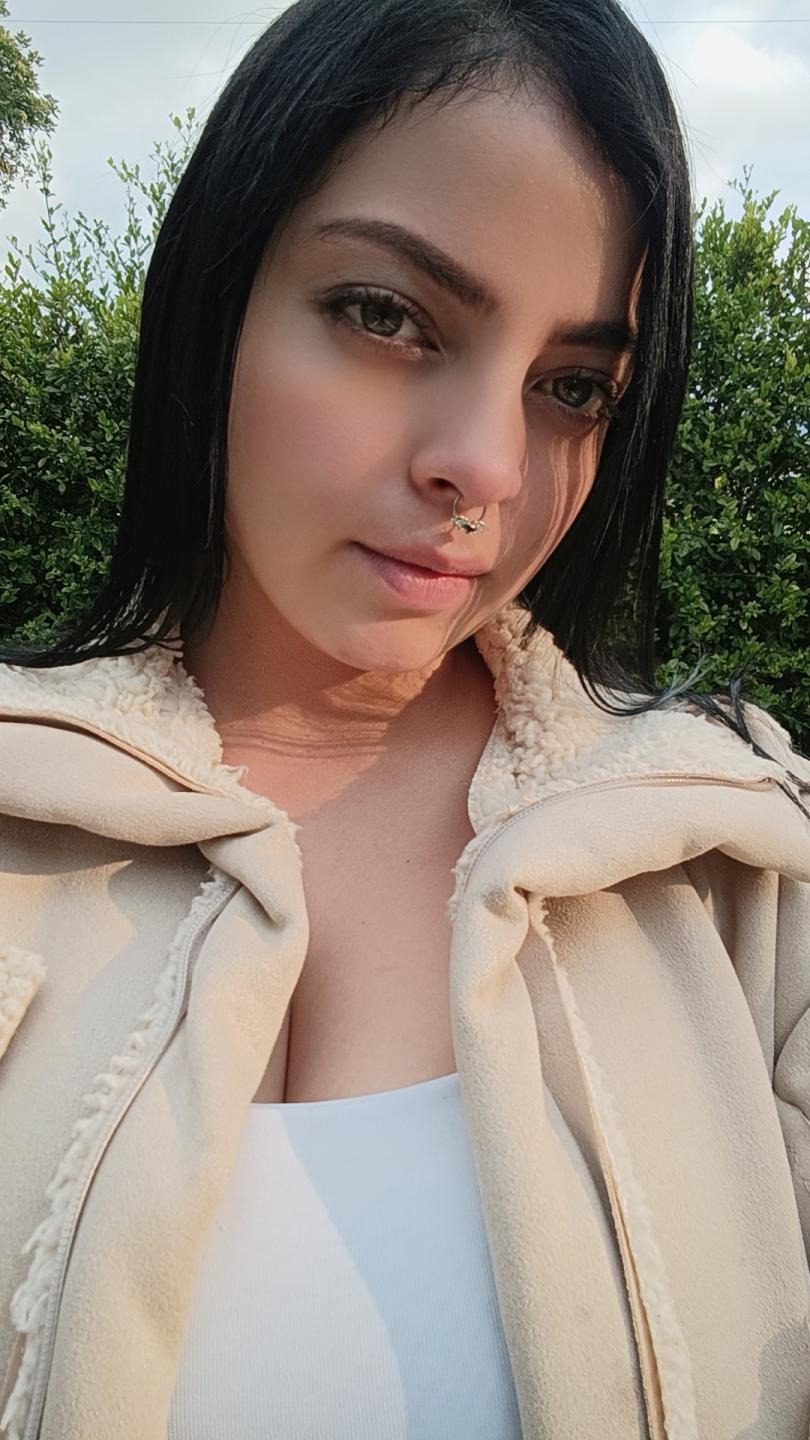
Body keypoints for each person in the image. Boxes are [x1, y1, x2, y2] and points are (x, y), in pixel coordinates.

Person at [0, 0, 808, 1436]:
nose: (486, 465)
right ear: (217, 296)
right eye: (386, 315)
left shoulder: (743, 877)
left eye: (573, 388)